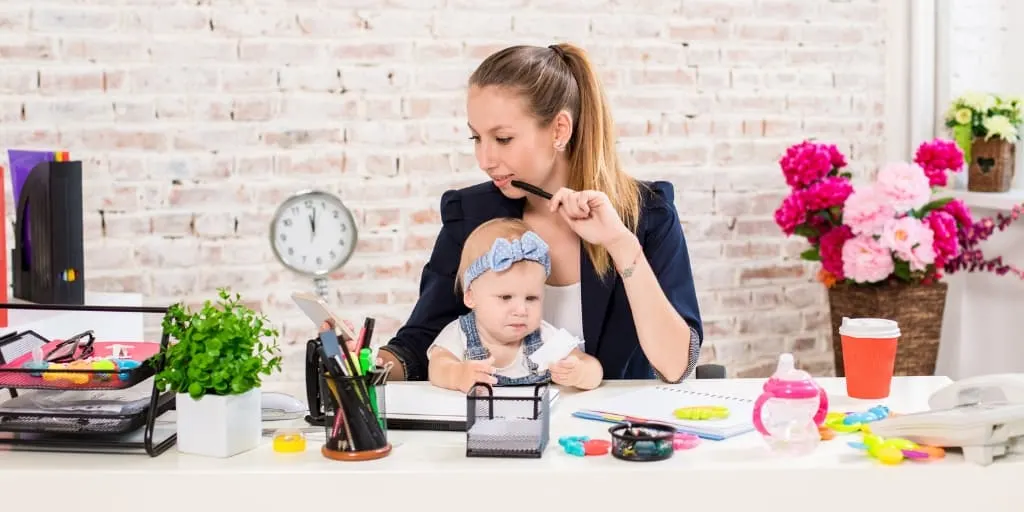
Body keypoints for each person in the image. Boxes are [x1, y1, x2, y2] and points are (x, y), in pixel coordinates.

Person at [338, 42, 703, 383]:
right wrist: (368, 368)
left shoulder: (648, 216)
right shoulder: (470, 215)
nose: (485, 159)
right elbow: (421, 341)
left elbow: (675, 367)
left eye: (503, 139)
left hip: (604, 438)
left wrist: (619, 243)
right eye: (476, 138)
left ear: (560, 129)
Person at [426, 218, 603, 393]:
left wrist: (579, 372)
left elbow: (592, 366)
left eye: (531, 298)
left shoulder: (543, 337)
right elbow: (438, 366)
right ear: (471, 296)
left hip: (535, 418)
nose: (521, 310)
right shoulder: (460, 334)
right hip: (477, 418)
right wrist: (458, 375)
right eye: (505, 297)